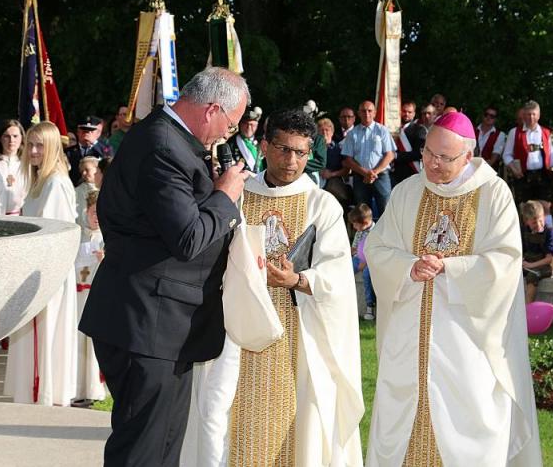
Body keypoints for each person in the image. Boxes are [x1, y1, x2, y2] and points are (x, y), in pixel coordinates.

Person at [78, 67, 251, 466]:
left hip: (164, 326)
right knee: (142, 451)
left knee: (165, 448)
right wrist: (225, 196)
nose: (228, 135)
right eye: (230, 124)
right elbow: (187, 237)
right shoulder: (162, 146)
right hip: (146, 322)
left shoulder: (172, 140)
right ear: (211, 110)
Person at [180, 108, 363, 467]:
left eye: (301, 152)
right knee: (221, 414)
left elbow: (338, 271)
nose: (291, 160)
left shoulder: (321, 204)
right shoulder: (237, 193)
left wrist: (297, 279)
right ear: (264, 146)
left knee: (299, 422)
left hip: (298, 330)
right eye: (283, 149)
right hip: (234, 329)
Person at [365, 111, 542, 466]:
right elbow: (378, 247)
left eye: (444, 158)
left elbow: (506, 260)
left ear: (467, 156)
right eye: (428, 153)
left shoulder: (493, 193)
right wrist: (408, 266)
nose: (432, 163)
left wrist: (451, 267)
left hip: (466, 341)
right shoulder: (407, 191)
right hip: (409, 337)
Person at [4, 121, 79, 407]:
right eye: (31, 145)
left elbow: (55, 236)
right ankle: (32, 392)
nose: (33, 151)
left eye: (40, 146)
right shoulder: (40, 182)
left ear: (52, 148)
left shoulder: (55, 183)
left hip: (48, 272)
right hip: (34, 268)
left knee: (48, 334)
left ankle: (47, 392)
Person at [73, 190, 107, 406]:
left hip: (95, 295)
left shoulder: (107, 238)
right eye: (93, 212)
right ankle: (77, 387)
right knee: (77, 344)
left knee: (92, 345)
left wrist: (104, 259)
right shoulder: (77, 236)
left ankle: (95, 387)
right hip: (78, 296)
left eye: (100, 213)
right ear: (86, 212)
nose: (96, 217)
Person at [341, 100, 396, 218]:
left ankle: (386, 231)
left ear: (375, 113)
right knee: (362, 213)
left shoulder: (382, 130)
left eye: (370, 111)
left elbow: (390, 154)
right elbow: (348, 159)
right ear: (358, 113)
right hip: (360, 177)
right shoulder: (352, 134)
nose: (367, 113)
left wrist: (373, 172)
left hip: (381, 176)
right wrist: (365, 173)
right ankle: (365, 232)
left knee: (386, 211)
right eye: (363, 111)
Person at [503, 100, 553, 214]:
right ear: (523, 115)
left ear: (539, 115)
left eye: (534, 114)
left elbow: (551, 156)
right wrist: (513, 168)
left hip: (543, 176)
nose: (531, 117)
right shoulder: (514, 132)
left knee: (545, 208)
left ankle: (547, 227)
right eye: (528, 114)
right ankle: (523, 227)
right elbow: (506, 155)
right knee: (525, 210)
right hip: (523, 176)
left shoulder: (546, 132)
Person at [520, 200, 553, 304]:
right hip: (528, 263)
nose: (539, 225)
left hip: (545, 266)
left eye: (541, 221)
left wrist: (531, 265)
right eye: (534, 223)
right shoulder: (523, 231)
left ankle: (527, 310)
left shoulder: (549, 232)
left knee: (532, 276)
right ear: (526, 221)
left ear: (544, 216)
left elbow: (549, 259)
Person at [0, 119, 29, 215]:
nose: (11, 140)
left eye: (15, 136)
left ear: (22, 138)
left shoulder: (27, 165)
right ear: (0, 138)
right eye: (7, 136)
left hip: (21, 216)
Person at [65, 115, 112, 186]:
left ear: (97, 133)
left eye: (90, 131)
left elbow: (108, 164)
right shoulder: (69, 152)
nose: (86, 134)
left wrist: (94, 144)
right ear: (78, 132)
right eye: (83, 131)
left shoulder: (105, 149)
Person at [316, 117, 351, 208]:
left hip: (333, 189)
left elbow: (347, 170)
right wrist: (318, 170)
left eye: (327, 130)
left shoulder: (339, 149)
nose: (324, 133)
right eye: (321, 130)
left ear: (332, 132)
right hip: (316, 188)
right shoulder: (312, 149)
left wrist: (332, 174)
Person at [349, 203, 376, 320]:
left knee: (366, 275)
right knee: (345, 270)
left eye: (355, 224)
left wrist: (364, 264)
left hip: (371, 261)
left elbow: (374, 253)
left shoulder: (376, 232)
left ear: (364, 223)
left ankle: (370, 306)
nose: (354, 227)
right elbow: (354, 248)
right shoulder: (360, 231)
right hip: (358, 258)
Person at [392, 101, 428, 186]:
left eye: (409, 112)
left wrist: (396, 156)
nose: (406, 114)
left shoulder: (419, 130)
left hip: (411, 173)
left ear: (414, 114)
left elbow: (418, 153)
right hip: (393, 173)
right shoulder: (392, 129)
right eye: (404, 111)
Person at [226, 106, 263, 173]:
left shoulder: (262, 142)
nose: (248, 127)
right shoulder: (231, 143)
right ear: (240, 124)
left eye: (252, 125)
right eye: (245, 124)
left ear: (257, 126)